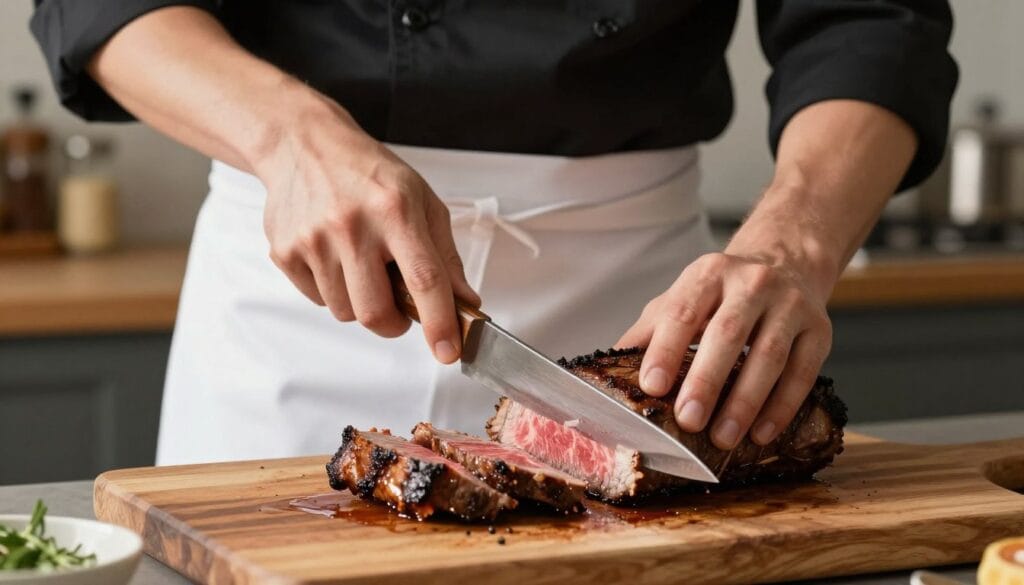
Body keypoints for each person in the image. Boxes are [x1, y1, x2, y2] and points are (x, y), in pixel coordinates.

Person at [32, 1, 957, 465]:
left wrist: (788, 243)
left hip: (641, 318)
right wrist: (289, 139)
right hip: (289, 278)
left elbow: (873, 18)